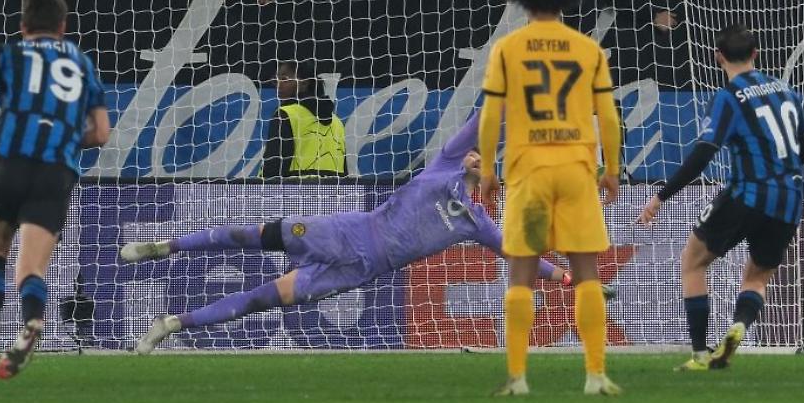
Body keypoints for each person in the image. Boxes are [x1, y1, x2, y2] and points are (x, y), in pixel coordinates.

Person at [123, 110, 609, 353]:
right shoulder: (445, 164)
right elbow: (485, 120)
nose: (477, 158)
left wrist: (573, 280)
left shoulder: (476, 222)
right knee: (253, 235)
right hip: (346, 233)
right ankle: (165, 246)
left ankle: (171, 325)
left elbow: (524, 258)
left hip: (358, 270)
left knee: (261, 299)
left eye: (486, 163)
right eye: (477, 154)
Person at [0, 0, 110, 380]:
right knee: (30, 268)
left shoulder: (9, 52)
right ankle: (32, 320)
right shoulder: (81, 63)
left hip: (8, 160)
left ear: (23, 25)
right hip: (55, 169)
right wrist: (65, 138)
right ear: (63, 27)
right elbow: (101, 133)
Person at [477, 0, 623, 397]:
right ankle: (595, 375)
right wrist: (612, 169)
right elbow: (608, 116)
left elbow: (492, 115)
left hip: (529, 169)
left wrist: (488, 169)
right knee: (587, 272)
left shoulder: (508, 49)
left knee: (521, 273)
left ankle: (518, 377)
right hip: (576, 168)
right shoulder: (587, 49)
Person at [636, 23, 804, 372]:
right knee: (757, 278)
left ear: (718, 57)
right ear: (756, 53)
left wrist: (661, 196)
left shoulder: (729, 97)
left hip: (748, 192)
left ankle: (701, 354)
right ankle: (740, 325)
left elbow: (703, 153)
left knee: (693, 261)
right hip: (790, 199)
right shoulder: (786, 91)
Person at [262, 60, 347, 178]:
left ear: (304, 83)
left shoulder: (285, 114)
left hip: (295, 188)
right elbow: (344, 171)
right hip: (333, 189)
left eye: (284, 79)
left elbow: (273, 168)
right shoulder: (337, 122)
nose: (278, 85)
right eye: (276, 81)